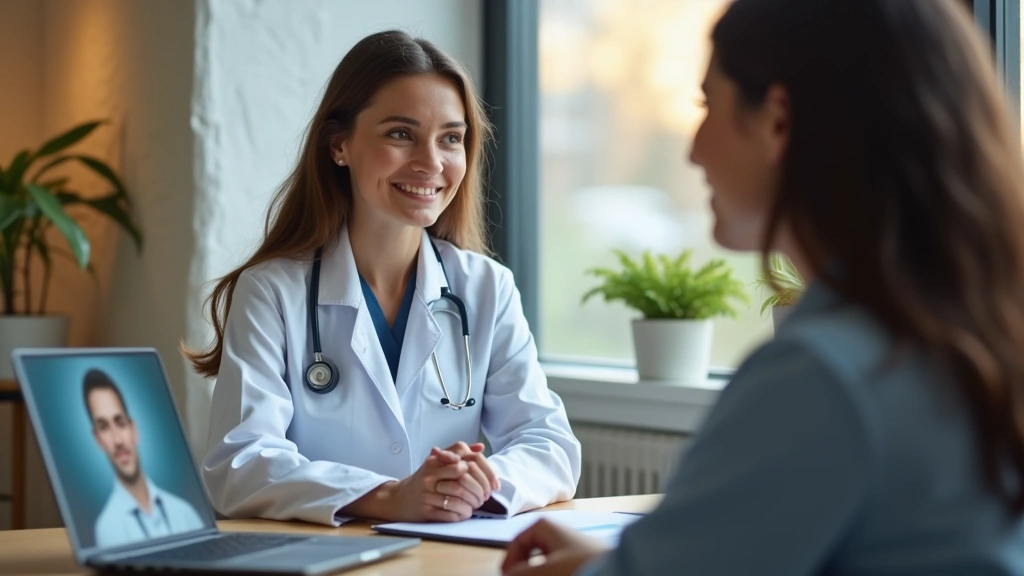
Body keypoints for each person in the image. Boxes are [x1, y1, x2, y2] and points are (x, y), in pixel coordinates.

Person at [502, 0, 1024, 574]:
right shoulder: (966, 336)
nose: (693, 149)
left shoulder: (822, 375)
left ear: (777, 121)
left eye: (706, 105)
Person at [184, 29, 581, 526]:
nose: (431, 163)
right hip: (327, 555)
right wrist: (389, 497)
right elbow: (239, 464)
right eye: (400, 134)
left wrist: (472, 483)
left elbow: (550, 445)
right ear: (339, 145)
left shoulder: (487, 288)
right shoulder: (272, 291)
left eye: (451, 138)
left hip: (446, 554)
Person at [84, 369, 205, 547]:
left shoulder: (185, 513)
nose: (118, 440)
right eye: (104, 427)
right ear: (98, 440)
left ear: (133, 430)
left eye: (120, 422)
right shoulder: (107, 529)